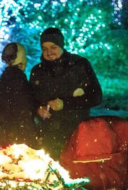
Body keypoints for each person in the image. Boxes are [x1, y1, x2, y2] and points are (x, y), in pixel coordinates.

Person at [29, 27, 102, 160]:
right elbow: (30, 99)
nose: (49, 52)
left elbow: (96, 97)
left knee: (76, 172)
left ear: (61, 46)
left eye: (53, 47)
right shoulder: (37, 71)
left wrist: (65, 104)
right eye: (44, 48)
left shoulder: (79, 65)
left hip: (77, 132)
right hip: (49, 134)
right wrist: (37, 109)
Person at [0, 42, 38, 148]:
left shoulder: (2, 81)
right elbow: (25, 109)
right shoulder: (20, 81)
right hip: (21, 138)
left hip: (5, 136)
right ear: (21, 59)